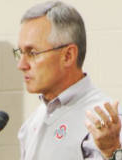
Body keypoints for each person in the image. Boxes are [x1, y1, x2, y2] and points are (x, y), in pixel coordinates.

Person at [13, 1, 122, 160]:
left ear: (68, 56)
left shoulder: (108, 124)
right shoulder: (31, 124)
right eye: (20, 52)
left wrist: (112, 151)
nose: (21, 65)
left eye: (32, 53)